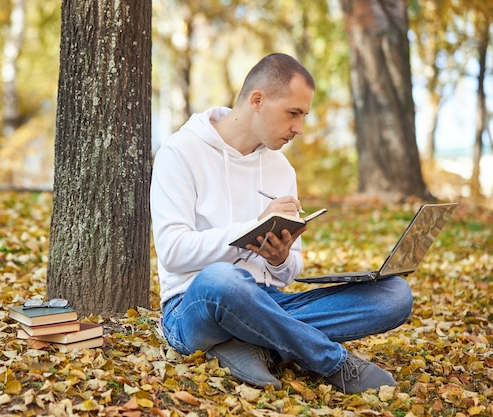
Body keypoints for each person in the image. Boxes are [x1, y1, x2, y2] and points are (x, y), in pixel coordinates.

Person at [150, 53, 413, 393]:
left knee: (394, 295)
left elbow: (289, 273)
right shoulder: (180, 153)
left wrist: (279, 258)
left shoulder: (281, 169)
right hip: (194, 305)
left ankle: (254, 342)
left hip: (268, 302)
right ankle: (333, 362)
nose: (299, 129)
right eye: (294, 113)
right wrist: (248, 232)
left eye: (303, 116)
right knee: (224, 280)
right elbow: (172, 253)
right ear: (257, 100)